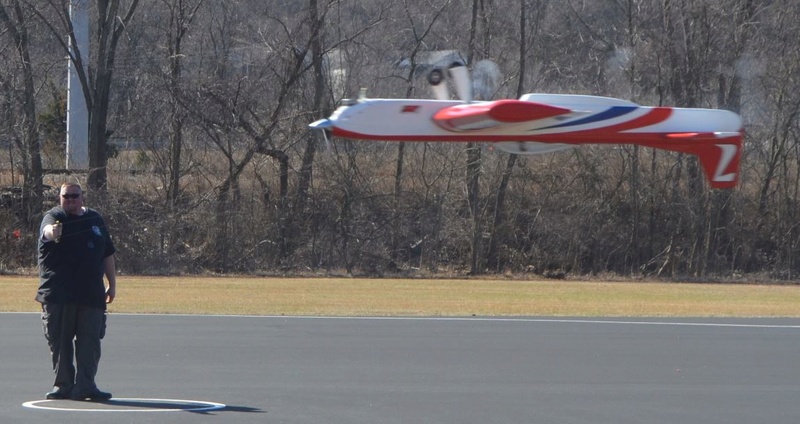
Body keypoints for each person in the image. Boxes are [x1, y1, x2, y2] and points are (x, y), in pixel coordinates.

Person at [36, 182, 117, 401]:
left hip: (91, 294)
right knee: (60, 343)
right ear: (59, 198)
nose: (70, 200)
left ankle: (86, 386)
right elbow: (47, 232)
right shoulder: (53, 217)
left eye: (75, 196)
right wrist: (54, 232)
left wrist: (112, 283)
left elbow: (107, 253)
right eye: (66, 196)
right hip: (59, 295)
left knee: (90, 343)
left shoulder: (95, 220)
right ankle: (63, 385)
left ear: (83, 197)